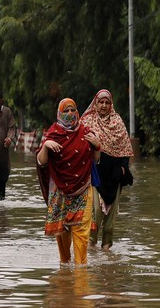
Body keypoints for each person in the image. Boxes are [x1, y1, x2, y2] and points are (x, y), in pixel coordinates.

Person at [36, 98, 101, 266]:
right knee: (63, 244)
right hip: (60, 192)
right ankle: (65, 276)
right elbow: (41, 162)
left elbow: (96, 159)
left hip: (83, 190)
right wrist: (45, 146)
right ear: (59, 113)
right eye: (66, 111)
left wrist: (97, 146)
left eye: (73, 110)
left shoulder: (86, 132)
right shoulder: (53, 133)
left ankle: (81, 278)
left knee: (81, 236)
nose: (70, 113)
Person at [81, 89, 134, 251]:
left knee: (110, 218)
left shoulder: (117, 123)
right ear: (95, 104)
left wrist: (124, 168)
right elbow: (80, 147)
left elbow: (125, 148)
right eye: (101, 102)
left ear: (111, 105)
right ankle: (90, 247)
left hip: (114, 176)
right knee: (95, 212)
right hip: (94, 176)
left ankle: (106, 252)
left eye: (107, 102)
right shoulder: (87, 122)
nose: (104, 105)